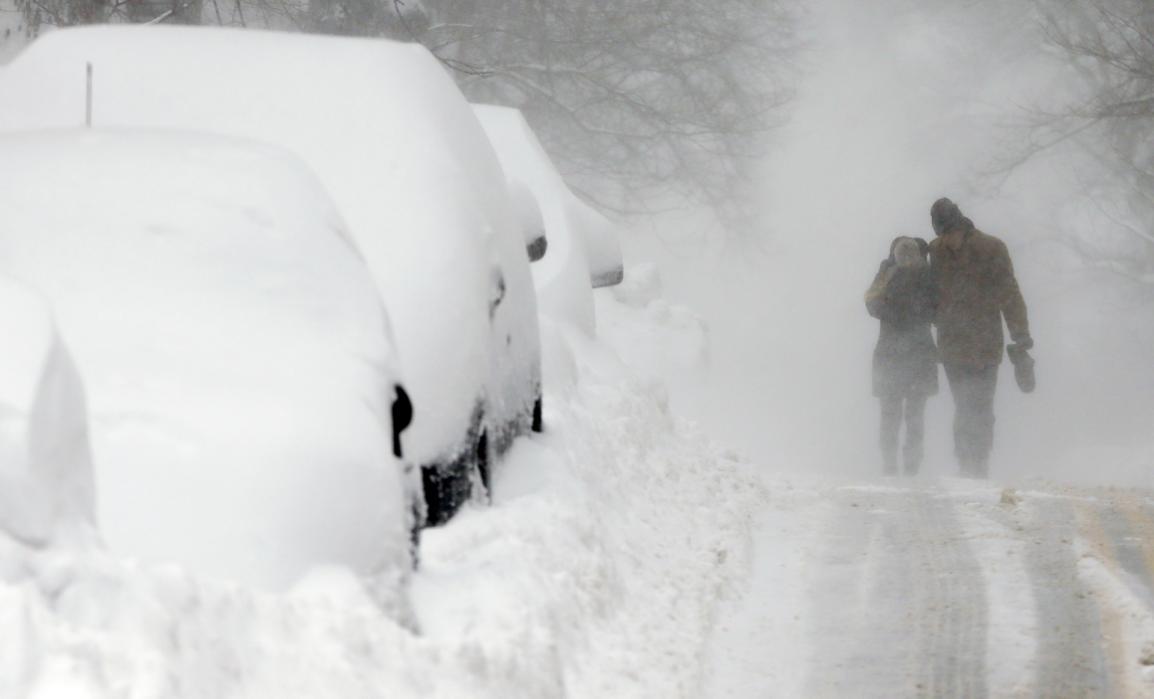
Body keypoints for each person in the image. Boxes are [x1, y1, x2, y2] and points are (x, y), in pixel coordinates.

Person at [927, 198, 1032, 478]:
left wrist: (1020, 335)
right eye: (942, 235)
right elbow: (930, 292)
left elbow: (1009, 293)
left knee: (982, 405)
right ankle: (964, 461)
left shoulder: (991, 248)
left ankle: (980, 460)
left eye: (949, 233)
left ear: (960, 225)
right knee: (963, 403)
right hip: (951, 342)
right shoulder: (935, 251)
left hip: (985, 341)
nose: (947, 240)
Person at [865, 236, 938, 475]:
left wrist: (894, 312)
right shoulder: (925, 274)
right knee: (911, 413)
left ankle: (895, 463)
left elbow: (872, 303)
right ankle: (907, 464)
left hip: (892, 352)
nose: (906, 258)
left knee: (893, 413)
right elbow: (937, 308)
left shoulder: (891, 274)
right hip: (915, 353)